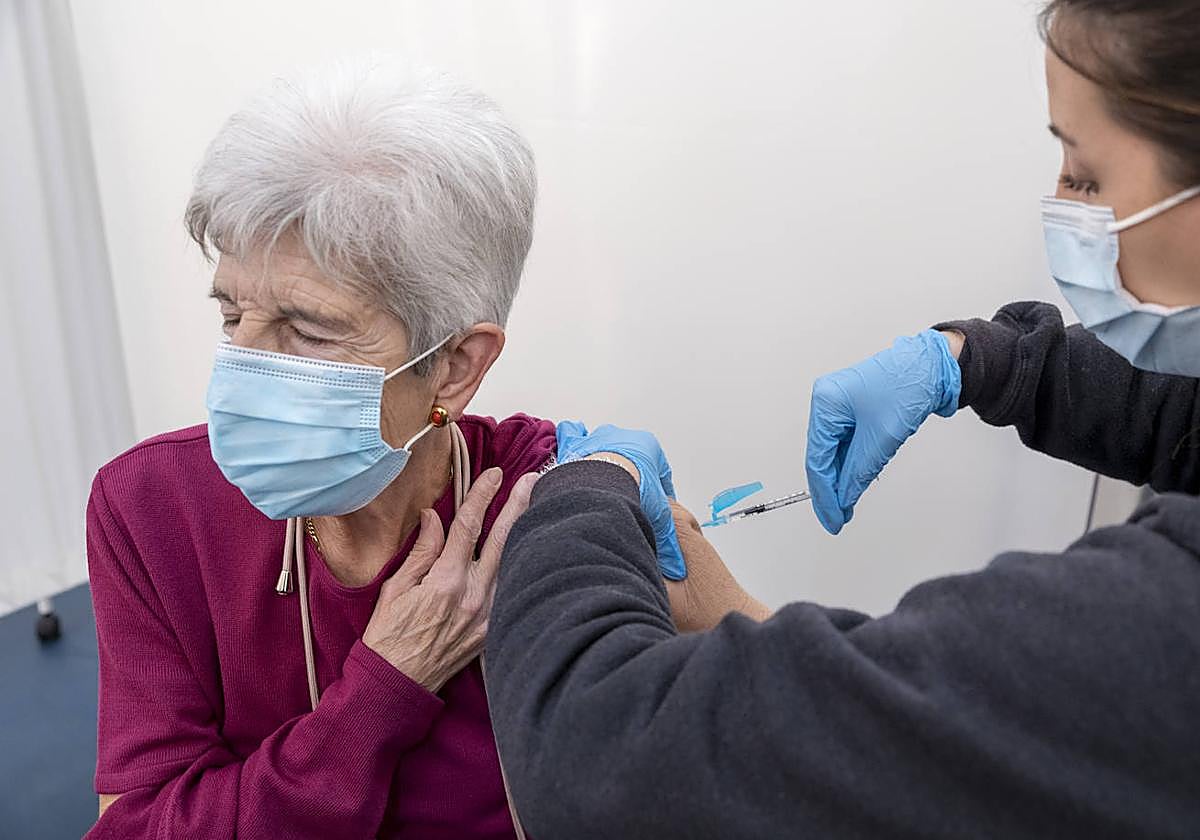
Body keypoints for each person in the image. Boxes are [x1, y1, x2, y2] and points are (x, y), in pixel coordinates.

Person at [484, 2, 1200, 837]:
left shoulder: (1153, 636)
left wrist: (587, 485)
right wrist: (977, 360)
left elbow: (596, 760)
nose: (1059, 204)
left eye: (1084, 176)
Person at [84, 59, 683, 839]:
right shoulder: (152, 507)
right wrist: (383, 689)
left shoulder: (548, 502)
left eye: (309, 330)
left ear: (457, 364)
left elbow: (782, 730)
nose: (245, 371)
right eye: (232, 318)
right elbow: (134, 828)